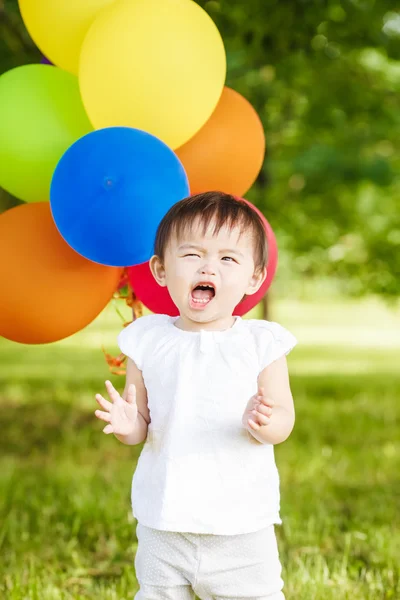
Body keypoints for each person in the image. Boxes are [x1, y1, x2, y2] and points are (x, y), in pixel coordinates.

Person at [94, 191, 297, 600]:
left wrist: (266, 421)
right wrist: (127, 424)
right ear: (160, 269)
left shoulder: (260, 343)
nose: (208, 266)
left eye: (228, 258)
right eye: (191, 255)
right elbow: (140, 426)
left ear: (254, 278)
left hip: (240, 524)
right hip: (164, 520)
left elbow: (284, 422)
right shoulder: (147, 341)